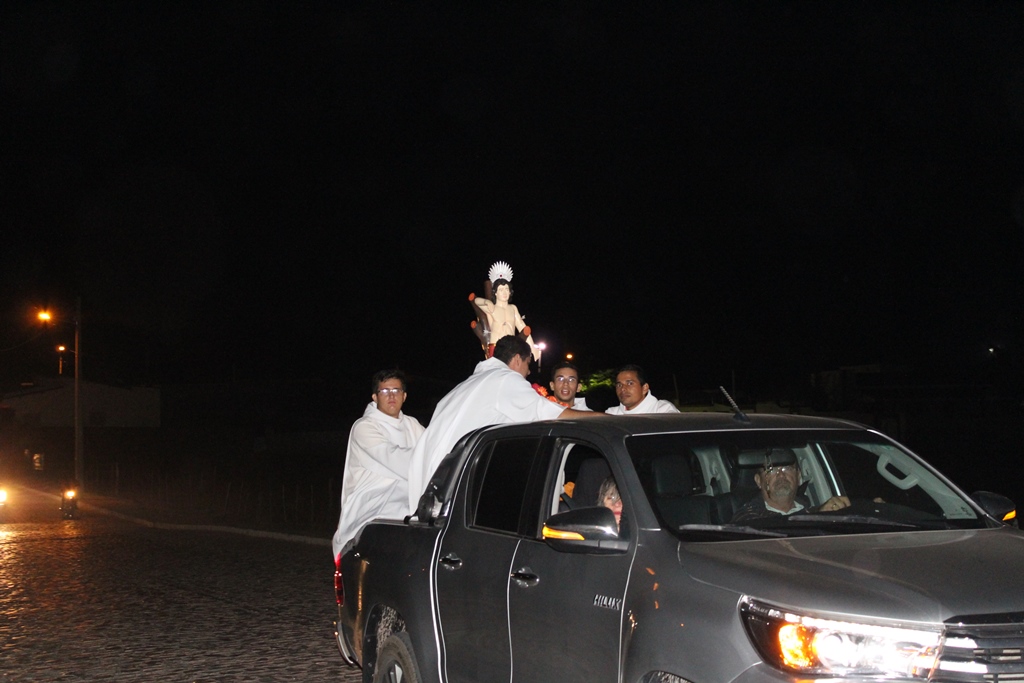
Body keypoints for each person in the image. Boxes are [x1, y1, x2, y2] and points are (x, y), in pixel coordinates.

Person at [406, 334, 600, 512]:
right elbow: (550, 414)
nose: (529, 371)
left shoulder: (466, 385)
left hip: (430, 481)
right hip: (449, 487)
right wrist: (605, 419)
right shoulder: (505, 380)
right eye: (528, 364)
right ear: (517, 359)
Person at [332, 369, 425, 560]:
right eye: (385, 391)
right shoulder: (364, 427)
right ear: (375, 397)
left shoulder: (412, 425)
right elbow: (395, 459)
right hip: (373, 500)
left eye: (396, 390)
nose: (391, 396)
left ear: (404, 396)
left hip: (408, 496)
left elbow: (435, 448)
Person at [731, 448, 850, 523]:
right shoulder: (746, 518)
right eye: (771, 469)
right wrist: (818, 516)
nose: (781, 475)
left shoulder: (810, 510)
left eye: (787, 468)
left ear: (798, 476)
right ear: (758, 481)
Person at [469, 261, 540, 360]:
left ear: (510, 292)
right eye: (501, 290)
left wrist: (532, 347)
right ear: (495, 293)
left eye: (507, 289)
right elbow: (476, 301)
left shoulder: (513, 308)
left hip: (511, 346)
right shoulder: (492, 308)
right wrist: (486, 302)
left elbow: (522, 326)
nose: (504, 292)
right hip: (496, 346)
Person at [605, 364, 680, 414]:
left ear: (644, 388)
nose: (623, 389)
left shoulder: (662, 410)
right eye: (619, 385)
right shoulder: (612, 413)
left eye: (630, 383)